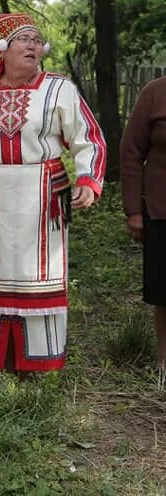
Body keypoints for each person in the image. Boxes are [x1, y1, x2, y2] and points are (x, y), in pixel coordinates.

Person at [0, 13, 106, 372]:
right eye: (25, 39)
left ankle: (39, 360)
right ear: (3, 48)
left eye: (38, 41)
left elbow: (90, 138)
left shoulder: (59, 89)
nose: (33, 46)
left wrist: (88, 180)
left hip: (42, 198)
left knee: (40, 273)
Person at [120, 76, 166, 375]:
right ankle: (165, 361)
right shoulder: (155, 92)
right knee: (164, 292)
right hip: (162, 208)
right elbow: (131, 152)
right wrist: (134, 210)